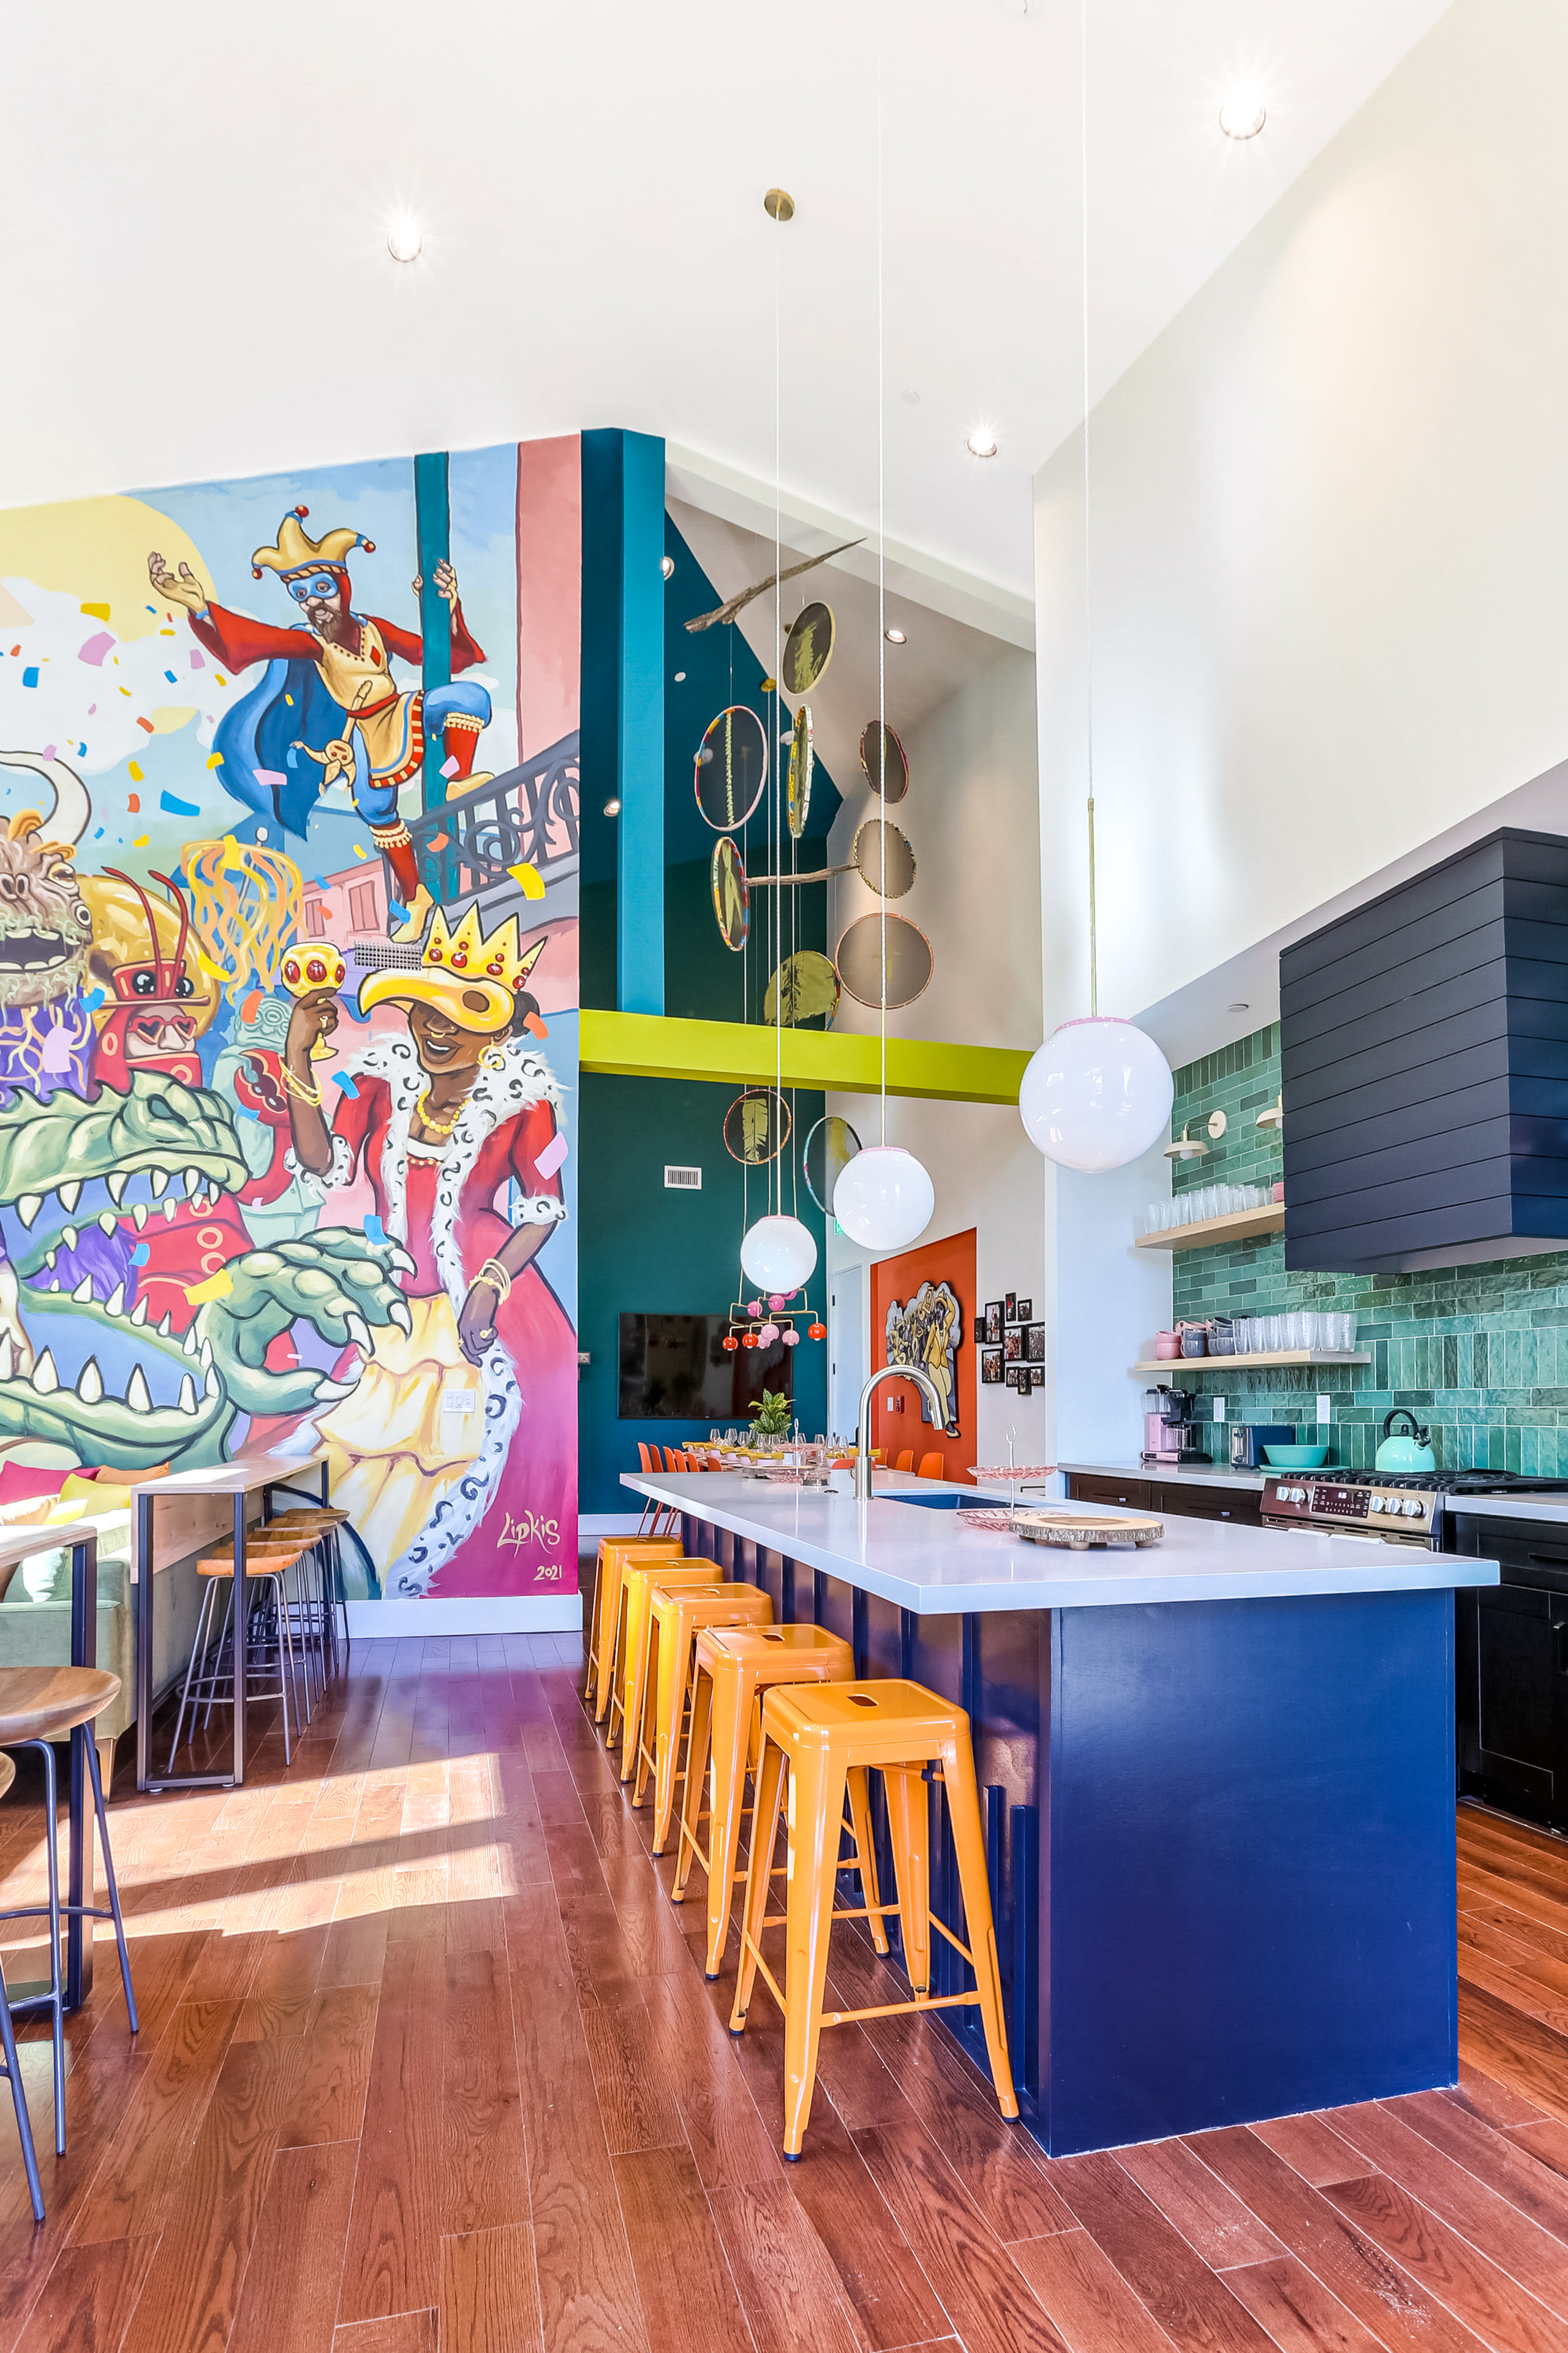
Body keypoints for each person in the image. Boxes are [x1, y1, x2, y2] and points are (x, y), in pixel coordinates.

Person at [283, 902, 574, 1597]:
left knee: (482, 1448)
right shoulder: (378, 1082)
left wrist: (492, 1282)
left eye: (463, 1013)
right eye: (424, 1009)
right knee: (364, 1449)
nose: (437, 1027)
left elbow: (543, 1208)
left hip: (481, 1301)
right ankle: (362, 1590)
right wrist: (297, 1055)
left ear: (501, 1025)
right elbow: (325, 1162)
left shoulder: (525, 1102)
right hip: (395, 1312)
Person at [148, 508, 492, 938]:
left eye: (323, 589)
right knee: (376, 811)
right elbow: (254, 643)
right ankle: (416, 896)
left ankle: (457, 779)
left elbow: (451, 659)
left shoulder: (375, 630)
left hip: (400, 712)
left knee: (469, 697)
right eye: (302, 594)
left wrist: (449, 607)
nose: (314, 603)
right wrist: (201, 609)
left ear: (343, 589)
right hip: (362, 734)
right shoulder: (310, 642)